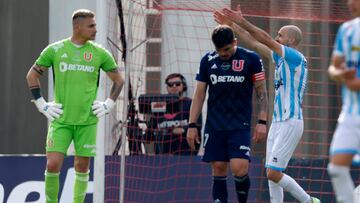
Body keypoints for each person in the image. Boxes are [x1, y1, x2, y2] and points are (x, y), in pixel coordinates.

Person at [216, 5, 321, 203]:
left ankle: (309, 201)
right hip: (278, 122)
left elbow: (264, 39)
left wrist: (241, 21)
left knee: (274, 173)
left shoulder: (295, 57)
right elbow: (255, 45)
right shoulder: (281, 60)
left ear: (290, 40)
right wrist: (231, 27)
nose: (276, 37)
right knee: (271, 173)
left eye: (279, 35)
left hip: (291, 120)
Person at [26, 9, 124, 203]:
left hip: (87, 120)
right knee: (53, 164)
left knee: (81, 166)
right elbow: (32, 75)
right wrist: (41, 104)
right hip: (60, 119)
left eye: (95, 25)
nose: (95, 30)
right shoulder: (55, 50)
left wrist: (109, 104)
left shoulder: (100, 53)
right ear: (77, 27)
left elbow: (119, 80)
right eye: (91, 26)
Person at [186, 25, 268, 203]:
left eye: (227, 49)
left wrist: (263, 121)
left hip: (240, 124)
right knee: (219, 167)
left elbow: (262, 91)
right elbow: (199, 94)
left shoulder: (252, 59)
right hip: (215, 124)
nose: (223, 53)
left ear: (235, 42)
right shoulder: (207, 61)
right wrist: (191, 125)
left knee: (240, 168)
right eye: (219, 50)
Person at [327, 0, 360, 202]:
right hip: (350, 113)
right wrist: (341, 74)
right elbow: (333, 68)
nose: (350, 3)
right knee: (337, 167)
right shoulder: (346, 30)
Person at [146, 73, 202, 155]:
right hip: (161, 157)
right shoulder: (159, 105)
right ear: (167, 87)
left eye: (178, 84)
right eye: (170, 84)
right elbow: (150, 134)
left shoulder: (191, 104)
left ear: (184, 85)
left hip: (186, 155)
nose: (174, 86)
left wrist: (184, 130)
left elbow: (198, 126)